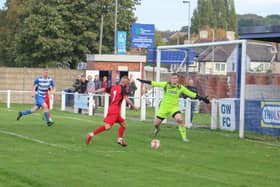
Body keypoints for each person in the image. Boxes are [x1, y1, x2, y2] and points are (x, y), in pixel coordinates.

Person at [137, 73, 209, 142]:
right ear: (171, 79)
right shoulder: (166, 85)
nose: (174, 80)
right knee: (156, 124)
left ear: (178, 79)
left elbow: (191, 94)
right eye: (173, 78)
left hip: (174, 107)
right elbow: (154, 83)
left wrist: (202, 98)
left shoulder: (180, 87)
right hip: (164, 108)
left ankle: (184, 137)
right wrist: (142, 81)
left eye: (176, 78)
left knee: (180, 120)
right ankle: (157, 129)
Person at [85, 76, 138, 147]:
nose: (127, 85)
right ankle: (91, 134)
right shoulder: (122, 89)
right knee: (108, 127)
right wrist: (133, 106)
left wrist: (94, 91)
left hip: (112, 109)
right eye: (127, 83)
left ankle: (120, 139)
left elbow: (103, 89)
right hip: (115, 110)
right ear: (124, 82)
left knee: (123, 124)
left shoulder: (113, 87)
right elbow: (126, 98)